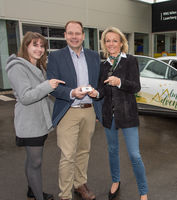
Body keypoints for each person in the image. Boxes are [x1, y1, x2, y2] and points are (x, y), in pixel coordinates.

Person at [5, 31, 65, 200]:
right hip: (29, 122)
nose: (39, 49)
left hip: (40, 121)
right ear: (26, 46)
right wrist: (47, 85)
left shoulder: (38, 65)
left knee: (32, 159)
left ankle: (32, 189)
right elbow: (25, 97)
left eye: (42, 46)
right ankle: (38, 196)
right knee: (36, 162)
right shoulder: (17, 67)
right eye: (35, 45)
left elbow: (42, 95)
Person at [46, 21, 102, 200]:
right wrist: (71, 92)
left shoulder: (94, 56)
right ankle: (65, 195)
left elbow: (100, 83)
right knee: (68, 155)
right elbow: (52, 86)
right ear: (65, 35)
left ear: (83, 36)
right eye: (70, 33)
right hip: (68, 110)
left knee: (84, 151)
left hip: (89, 110)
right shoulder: (56, 57)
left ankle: (80, 184)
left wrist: (96, 93)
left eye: (78, 33)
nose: (74, 37)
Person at [93, 27, 149, 200]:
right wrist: (95, 94)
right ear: (104, 44)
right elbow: (101, 90)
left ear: (121, 43)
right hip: (109, 115)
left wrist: (119, 82)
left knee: (134, 154)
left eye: (114, 40)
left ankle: (143, 191)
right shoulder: (103, 65)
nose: (111, 44)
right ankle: (115, 181)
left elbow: (136, 87)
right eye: (107, 40)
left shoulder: (130, 60)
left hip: (128, 114)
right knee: (112, 150)